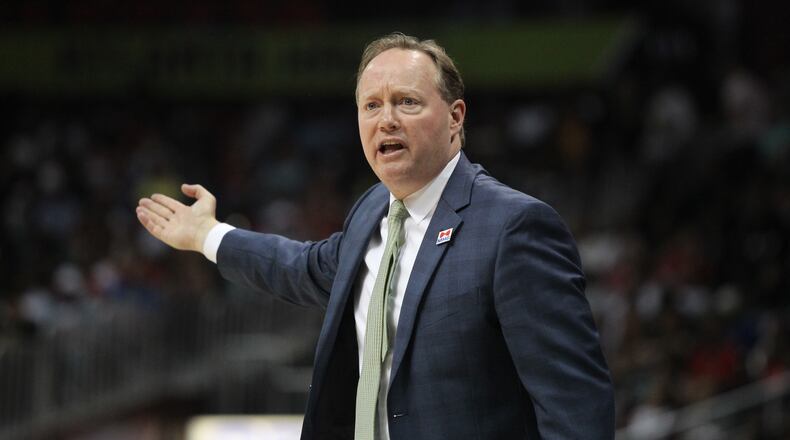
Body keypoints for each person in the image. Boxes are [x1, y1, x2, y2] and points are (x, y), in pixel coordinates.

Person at [136, 33, 614, 440]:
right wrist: (209, 235)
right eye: (372, 105)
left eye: (407, 101)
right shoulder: (370, 211)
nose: (386, 119)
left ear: (455, 117)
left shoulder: (515, 227)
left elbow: (575, 407)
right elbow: (303, 268)